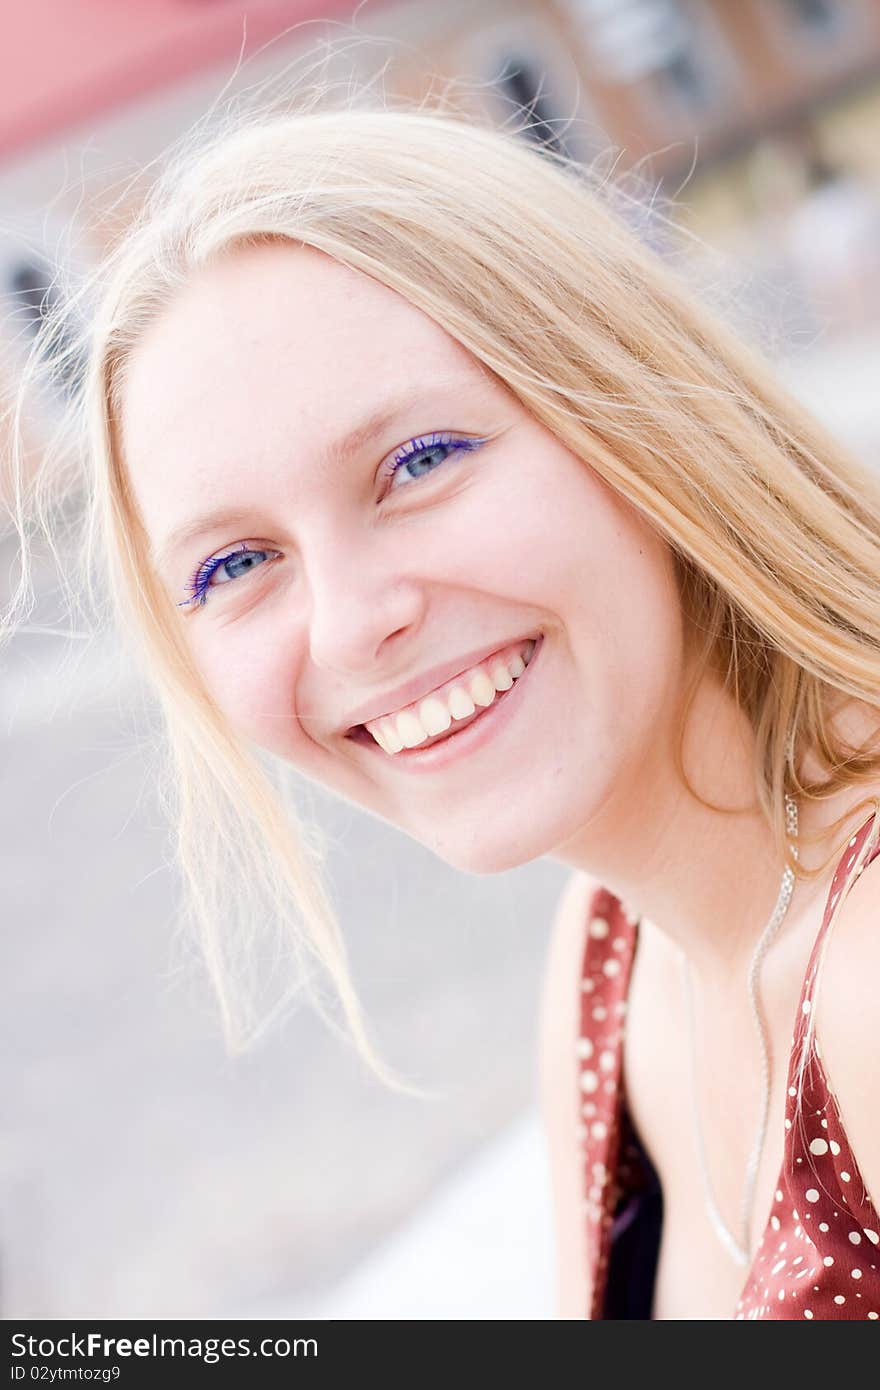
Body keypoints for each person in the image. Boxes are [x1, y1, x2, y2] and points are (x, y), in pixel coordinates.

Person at [3, 95, 879, 1321]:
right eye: (234, 565)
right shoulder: (609, 959)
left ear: (628, 397)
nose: (352, 624)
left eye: (419, 463)